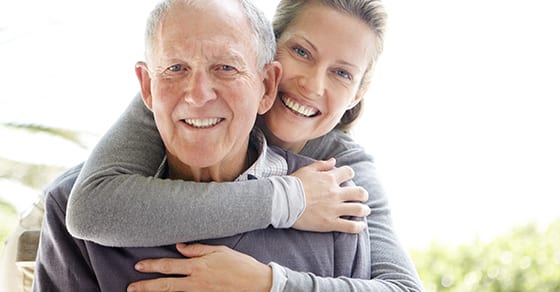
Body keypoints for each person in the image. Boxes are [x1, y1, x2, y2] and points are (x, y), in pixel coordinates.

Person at [66, 0, 423, 291]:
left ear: (357, 93)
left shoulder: (344, 174)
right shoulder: (187, 96)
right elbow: (88, 207)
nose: (313, 85)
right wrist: (289, 199)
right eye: (301, 51)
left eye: (342, 73)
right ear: (268, 49)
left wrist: (267, 282)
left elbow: (402, 288)